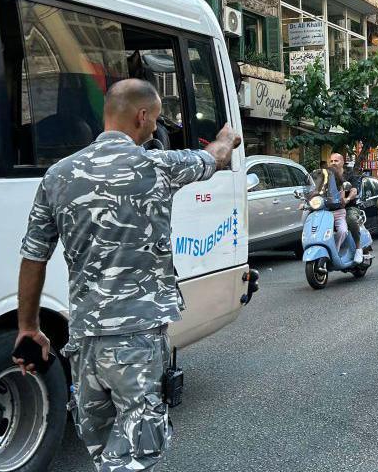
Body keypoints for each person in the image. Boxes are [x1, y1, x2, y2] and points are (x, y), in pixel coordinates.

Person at [15, 79, 240, 471]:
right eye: (154, 121)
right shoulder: (157, 165)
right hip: (137, 339)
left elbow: (34, 256)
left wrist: (29, 326)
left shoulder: (58, 176)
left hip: (84, 342)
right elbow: (216, 158)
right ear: (141, 116)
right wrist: (226, 137)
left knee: (104, 451)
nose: (155, 129)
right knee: (134, 456)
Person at [311, 157, 353, 258]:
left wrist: (342, 200)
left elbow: (342, 200)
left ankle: (335, 250)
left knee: (343, 231)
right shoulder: (320, 187)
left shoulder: (340, 186)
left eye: (330, 176)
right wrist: (306, 201)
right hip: (324, 213)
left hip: (338, 213)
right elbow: (312, 195)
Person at [332, 152, 364, 263]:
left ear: (342, 162)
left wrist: (347, 199)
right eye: (331, 161)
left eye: (336, 161)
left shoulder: (349, 175)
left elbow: (354, 190)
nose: (333, 163)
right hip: (332, 208)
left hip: (348, 207)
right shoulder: (328, 175)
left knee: (350, 219)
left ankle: (358, 248)